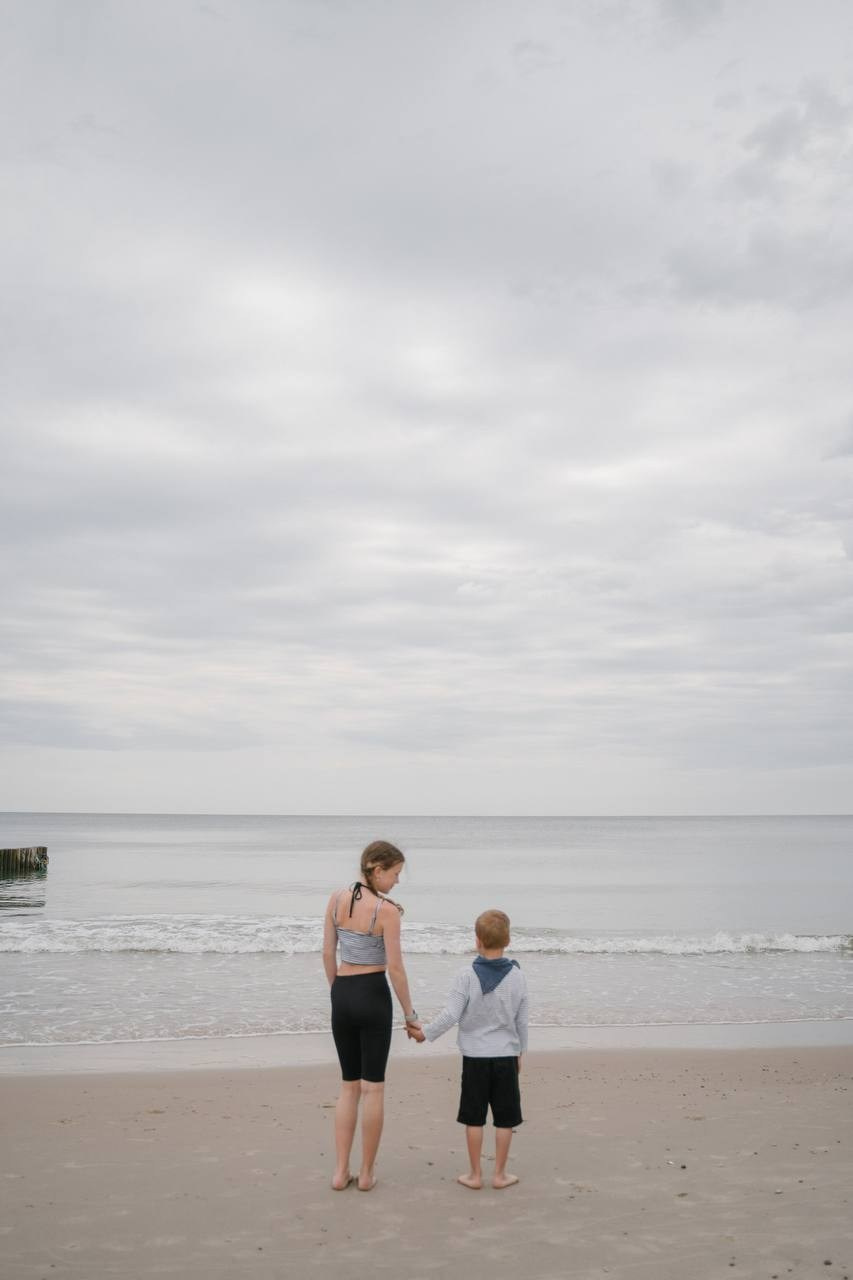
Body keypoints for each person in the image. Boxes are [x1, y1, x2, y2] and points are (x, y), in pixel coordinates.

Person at [322, 839, 420, 1191]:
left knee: (348, 1087)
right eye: (394, 874)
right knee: (373, 1090)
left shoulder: (335, 899)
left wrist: (337, 992)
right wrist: (410, 1015)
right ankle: (365, 1174)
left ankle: (339, 1172)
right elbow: (395, 969)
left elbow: (327, 953)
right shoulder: (386, 911)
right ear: (376, 870)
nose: (395, 882)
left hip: (343, 995)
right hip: (373, 996)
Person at [408, 908, 527, 1189]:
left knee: (474, 1117)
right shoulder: (518, 976)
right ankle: (499, 1174)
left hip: (475, 1058)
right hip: (506, 1056)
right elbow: (522, 1019)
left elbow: (451, 1014)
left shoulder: (465, 975)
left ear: (477, 941)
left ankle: (475, 1175)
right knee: (505, 1119)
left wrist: (424, 1034)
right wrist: (521, 1052)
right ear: (508, 941)